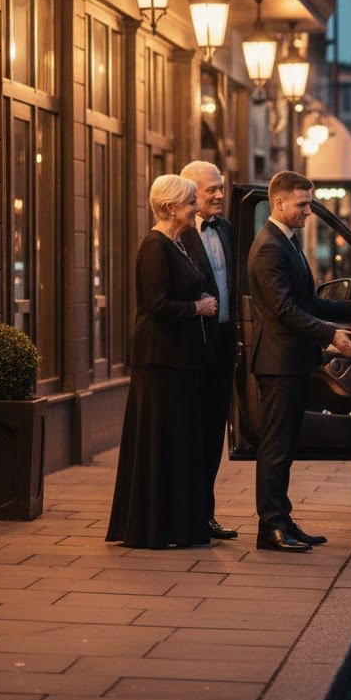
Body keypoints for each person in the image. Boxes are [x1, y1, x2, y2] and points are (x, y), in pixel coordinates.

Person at [248, 170, 351, 553]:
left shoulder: (288, 243)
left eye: (309, 204)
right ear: (278, 203)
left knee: (286, 445)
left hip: (292, 361)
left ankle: (282, 519)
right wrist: (331, 335)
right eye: (302, 204)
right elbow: (284, 310)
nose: (308, 211)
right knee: (276, 448)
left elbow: (307, 303)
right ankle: (271, 528)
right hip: (278, 364)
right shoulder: (269, 248)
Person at [106, 175, 219, 548]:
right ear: (171, 208)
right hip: (160, 360)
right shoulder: (155, 246)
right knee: (161, 443)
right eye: (190, 203)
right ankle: (155, 527)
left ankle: (175, 525)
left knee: (178, 443)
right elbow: (157, 305)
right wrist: (197, 308)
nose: (195, 208)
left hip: (179, 359)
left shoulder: (178, 243)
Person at [181, 160, 238, 542]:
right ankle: (187, 515)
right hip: (190, 346)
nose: (219, 195)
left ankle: (206, 513)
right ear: (190, 194)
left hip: (224, 344)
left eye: (220, 188)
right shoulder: (177, 234)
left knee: (215, 430)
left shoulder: (227, 229)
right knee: (190, 432)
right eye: (210, 190)